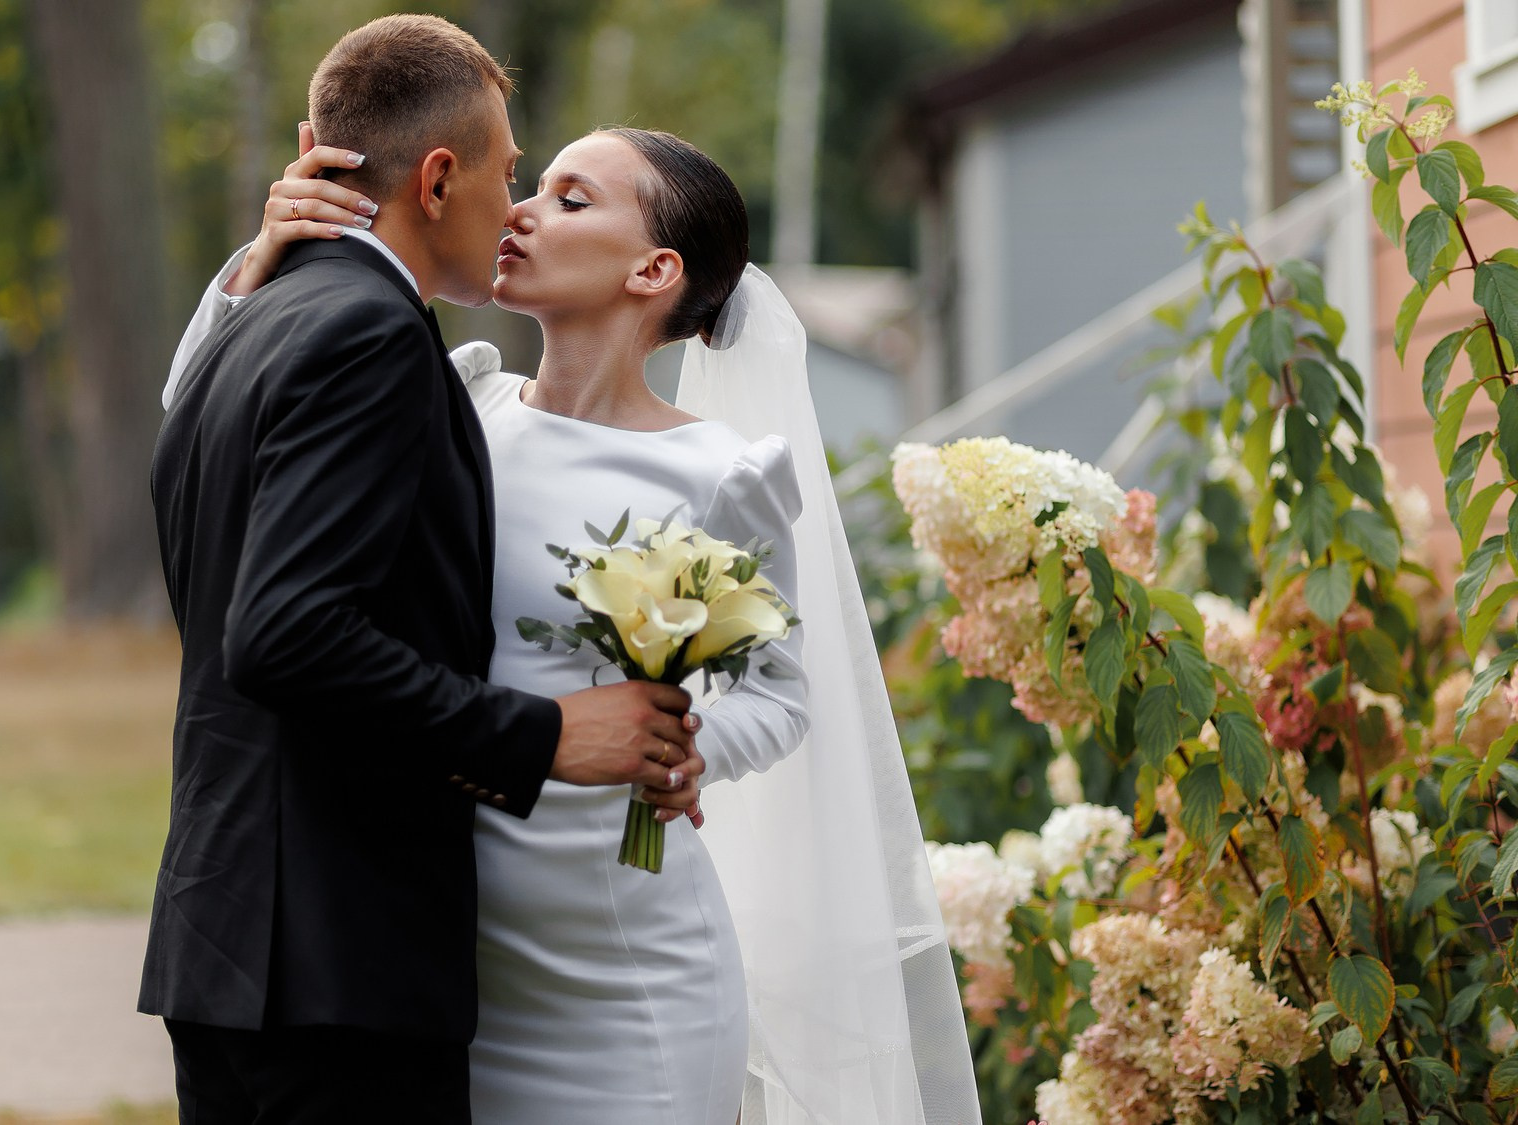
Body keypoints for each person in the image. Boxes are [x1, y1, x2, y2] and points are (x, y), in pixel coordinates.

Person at [166, 107, 984, 1124]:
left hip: (619, 974)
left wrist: (684, 747)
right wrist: (259, 263)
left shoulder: (718, 475)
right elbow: (210, 426)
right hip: (436, 950)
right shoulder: (456, 403)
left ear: (652, 272)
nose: (517, 210)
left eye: (568, 198)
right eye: (530, 184)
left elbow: (776, 691)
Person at [140, 16, 709, 1125]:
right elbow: (284, 634)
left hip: (238, 944)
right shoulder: (370, 338)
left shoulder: (245, 331)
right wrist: (544, 736)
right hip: (333, 965)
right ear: (438, 178)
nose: (515, 208)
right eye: (507, 175)